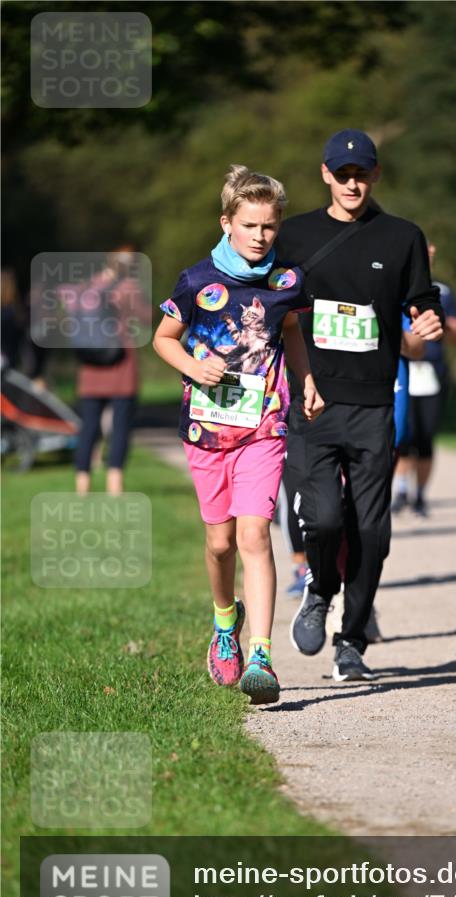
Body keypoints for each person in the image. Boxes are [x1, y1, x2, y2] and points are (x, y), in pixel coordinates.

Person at [275, 129, 444, 682]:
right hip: (312, 400)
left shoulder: (402, 237)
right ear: (325, 173)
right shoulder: (294, 234)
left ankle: (351, 640)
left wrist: (426, 323)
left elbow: (421, 308)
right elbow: (267, 301)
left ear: (374, 175)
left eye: (362, 173)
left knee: (372, 531)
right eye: (342, 173)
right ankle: (320, 590)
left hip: (375, 401)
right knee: (323, 518)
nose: (352, 182)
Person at [153, 165, 323, 705]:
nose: (260, 236)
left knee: (254, 535)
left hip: (264, 426)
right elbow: (162, 338)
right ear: (227, 223)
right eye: (249, 225)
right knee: (220, 541)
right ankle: (225, 622)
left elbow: (291, 331)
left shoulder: (287, 282)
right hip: (206, 429)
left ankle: (261, 655)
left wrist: (308, 378)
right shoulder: (197, 279)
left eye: (269, 227)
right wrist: (192, 366)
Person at [72, 247, 150, 496]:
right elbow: (147, 317)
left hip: (91, 367)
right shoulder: (128, 288)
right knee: (120, 427)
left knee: (89, 426)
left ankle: (82, 485)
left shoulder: (86, 288)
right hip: (120, 365)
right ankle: (114, 485)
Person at [392, 243, 456, 516]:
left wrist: (442, 324)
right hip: (402, 367)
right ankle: (399, 490)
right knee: (402, 433)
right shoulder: (394, 286)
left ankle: (419, 495)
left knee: (424, 435)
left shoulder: (443, 292)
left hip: (431, 368)